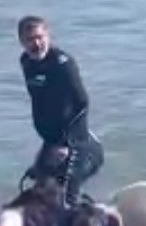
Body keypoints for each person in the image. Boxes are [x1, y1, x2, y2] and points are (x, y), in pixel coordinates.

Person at [18, 15, 104, 202]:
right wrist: (48, 145)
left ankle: (84, 212)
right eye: (30, 39)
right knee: (36, 189)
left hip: (77, 143)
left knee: (67, 198)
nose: (37, 43)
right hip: (52, 141)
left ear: (48, 36)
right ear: (21, 42)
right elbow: (38, 101)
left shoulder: (62, 64)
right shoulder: (26, 62)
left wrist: (67, 144)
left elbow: (82, 103)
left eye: (40, 37)